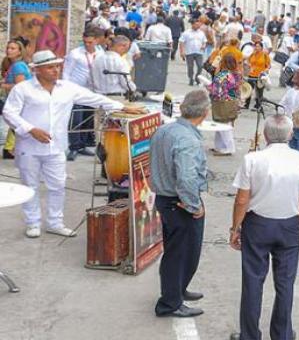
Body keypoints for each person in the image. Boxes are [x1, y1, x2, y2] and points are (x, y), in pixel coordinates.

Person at [3, 50, 145, 238]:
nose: (56, 70)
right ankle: (33, 223)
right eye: (50, 67)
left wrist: (121, 107)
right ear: (37, 70)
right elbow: (9, 113)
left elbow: (94, 99)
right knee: (30, 185)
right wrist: (30, 129)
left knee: (58, 185)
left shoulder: (67, 88)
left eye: (57, 66)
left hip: (56, 147)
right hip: (29, 147)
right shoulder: (23, 89)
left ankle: (55, 222)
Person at [228, 115, 299, 340]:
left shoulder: (253, 159)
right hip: (289, 223)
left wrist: (235, 227)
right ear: (290, 134)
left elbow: (242, 199)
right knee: (286, 283)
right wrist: (298, 223)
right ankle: (282, 334)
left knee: (252, 281)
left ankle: (249, 335)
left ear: (266, 135)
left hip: (258, 223)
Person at [150, 90, 209, 319]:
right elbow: (185, 178)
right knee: (181, 253)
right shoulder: (186, 139)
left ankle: (177, 290)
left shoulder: (165, 130)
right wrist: (193, 205)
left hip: (167, 199)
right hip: (179, 202)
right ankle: (170, 303)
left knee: (178, 251)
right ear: (204, 113)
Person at [63, 27, 104, 161]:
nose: (87, 44)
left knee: (88, 118)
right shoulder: (75, 53)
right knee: (76, 119)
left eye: (90, 42)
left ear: (96, 41)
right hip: (76, 90)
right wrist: (66, 89)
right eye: (85, 42)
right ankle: (74, 146)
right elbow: (66, 72)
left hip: (92, 90)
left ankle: (83, 144)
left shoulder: (101, 52)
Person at [1, 37, 32, 159]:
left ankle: (14, 150)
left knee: (19, 126)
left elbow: (20, 87)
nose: (9, 50)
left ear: (20, 51)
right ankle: (11, 149)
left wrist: (3, 85)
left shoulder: (18, 66)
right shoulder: (15, 64)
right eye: (8, 48)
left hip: (20, 101)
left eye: (13, 48)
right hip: (18, 101)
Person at [208, 55, 243, 156]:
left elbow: (216, 90)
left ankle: (228, 148)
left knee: (222, 124)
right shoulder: (237, 74)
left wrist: (208, 88)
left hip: (221, 102)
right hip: (233, 101)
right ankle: (219, 146)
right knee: (224, 123)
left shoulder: (222, 75)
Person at [179, 19, 208, 86]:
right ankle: (191, 78)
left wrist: (203, 46)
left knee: (200, 66)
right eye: (196, 24)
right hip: (189, 52)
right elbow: (181, 42)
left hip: (199, 52)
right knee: (190, 67)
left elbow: (204, 41)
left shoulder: (201, 33)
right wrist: (182, 51)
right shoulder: (186, 33)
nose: (198, 26)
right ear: (192, 24)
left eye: (199, 25)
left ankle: (197, 77)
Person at [244, 41, 271, 110]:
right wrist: (249, 66)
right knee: (249, 89)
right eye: (255, 46)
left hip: (260, 75)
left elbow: (269, 65)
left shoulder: (265, 55)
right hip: (251, 75)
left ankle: (258, 106)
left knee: (259, 91)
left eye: (258, 46)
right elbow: (247, 61)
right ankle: (246, 105)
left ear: (261, 47)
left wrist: (266, 70)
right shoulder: (252, 54)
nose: (256, 48)